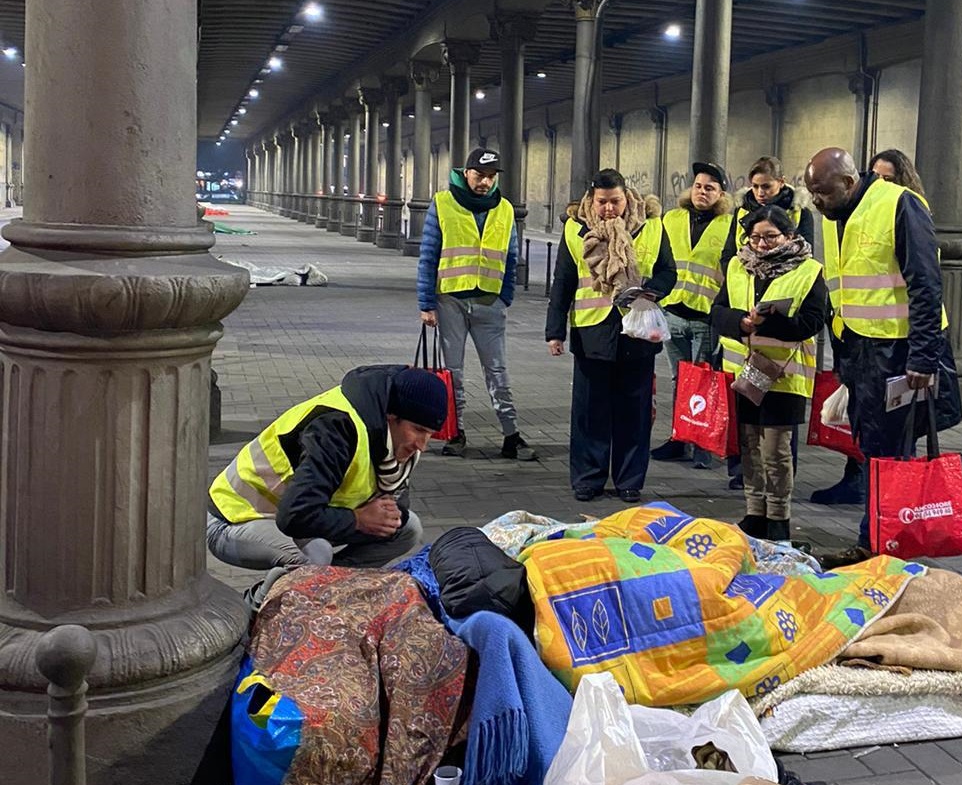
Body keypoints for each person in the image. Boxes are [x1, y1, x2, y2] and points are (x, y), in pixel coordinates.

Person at [802, 146, 960, 548]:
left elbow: (926, 284)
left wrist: (924, 357)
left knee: (892, 456)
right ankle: (879, 538)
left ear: (849, 182)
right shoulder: (838, 214)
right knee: (874, 449)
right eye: (813, 194)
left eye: (823, 192)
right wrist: (845, 365)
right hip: (864, 353)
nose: (817, 202)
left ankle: (881, 544)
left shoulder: (899, 205)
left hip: (901, 353)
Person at [206, 364, 444, 569]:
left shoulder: (394, 441)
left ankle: (329, 589)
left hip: (301, 517)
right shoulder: (336, 429)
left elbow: (395, 505)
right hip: (233, 520)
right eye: (418, 430)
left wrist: (386, 514)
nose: (422, 445)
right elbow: (294, 516)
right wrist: (358, 520)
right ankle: (256, 609)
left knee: (407, 528)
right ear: (391, 417)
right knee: (315, 554)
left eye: (430, 434)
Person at [707, 205, 829, 542]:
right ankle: (754, 512)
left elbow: (813, 321)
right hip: (745, 374)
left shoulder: (808, 270)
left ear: (788, 236)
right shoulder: (737, 265)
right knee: (749, 446)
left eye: (771, 236)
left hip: (785, 375)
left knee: (776, 450)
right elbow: (716, 312)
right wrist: (740, 323)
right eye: (755, 237)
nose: (761, 244)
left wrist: (770, 321)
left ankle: (778, 518)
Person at [545, 169, 667, 504]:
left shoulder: (652, 227)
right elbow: (563, 283)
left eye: (615, 201)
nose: (609, 209)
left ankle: (629, 480)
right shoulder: (575, 230)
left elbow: (669, 272)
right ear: (591, 199)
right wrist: (554, 331)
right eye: (602, 202)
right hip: (592, 331)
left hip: (638, 333)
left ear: (626, 197)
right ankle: (588, 479)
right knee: (590, 412)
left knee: (635, 411)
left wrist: (651, 292)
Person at [416, 147, 532, 461]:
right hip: (450, 300)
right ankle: (456, 433)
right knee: (453, 372)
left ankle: (511, 435)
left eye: (490, 176)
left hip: (489, 303)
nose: (485, 182)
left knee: (498, 371)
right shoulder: (442, 204)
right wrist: (426, 303)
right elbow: (428, 256)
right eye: (479, 175)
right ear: (466, 172)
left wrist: (505, 296)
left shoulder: (505, 209)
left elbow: (511, 256)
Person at [650, 163, 738, 471]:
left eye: (710, 188)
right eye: (699, 186)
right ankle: (680, 438)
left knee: (705, 381)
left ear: (721, 194)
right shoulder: (671, 219)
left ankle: (703, 443)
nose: (702, 192)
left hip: (705, 316)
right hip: (673, 311)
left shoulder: (730, 225)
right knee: (680, 380)